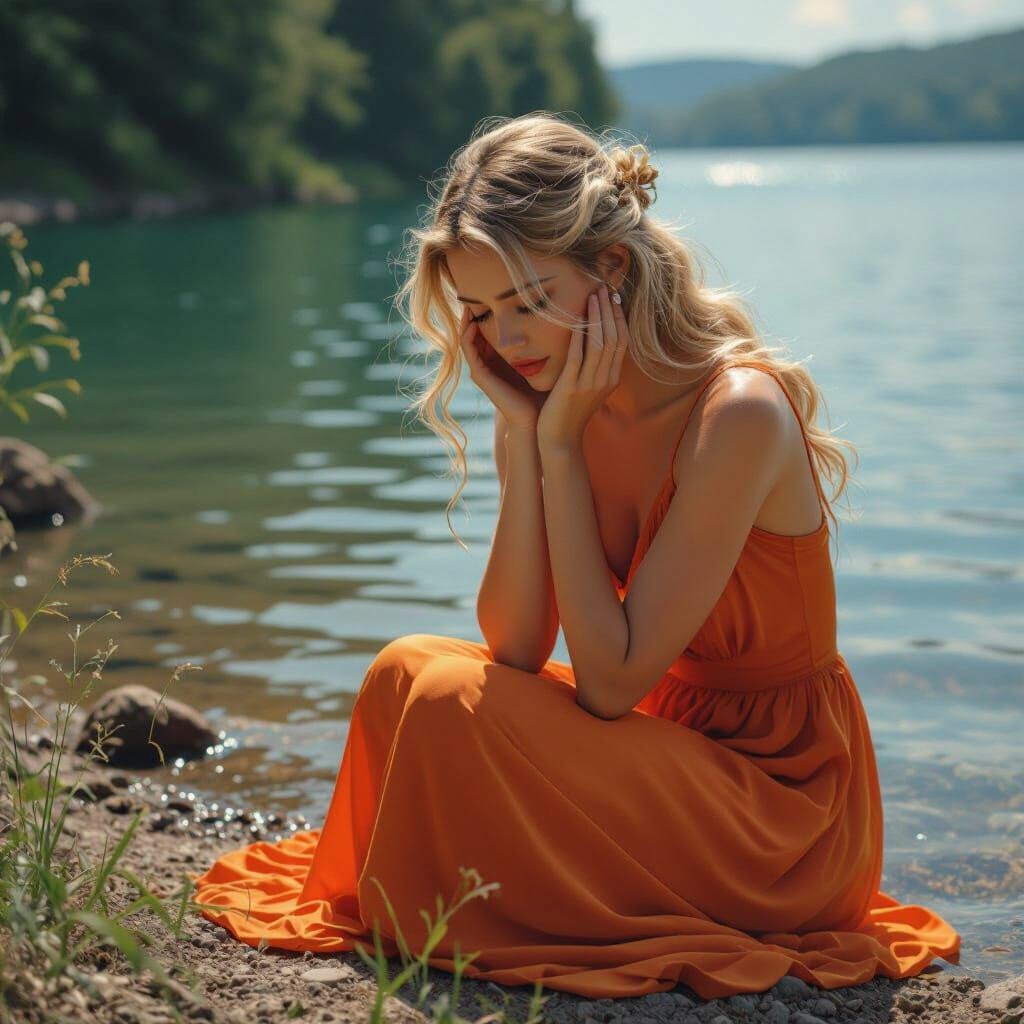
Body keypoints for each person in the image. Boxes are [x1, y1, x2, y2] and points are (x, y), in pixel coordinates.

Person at [188, 112, 961, 1000]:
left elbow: (607, 682)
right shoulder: (559, 400)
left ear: (612, 268)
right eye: (480, 313)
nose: (506, 338)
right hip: (665, 754)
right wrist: (526, 435)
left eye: (527, 301)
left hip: (781, 816)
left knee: (442, 698)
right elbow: (516, 646)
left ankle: (453, 898)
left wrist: (556, 448)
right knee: (404, 672)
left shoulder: (737, 413)